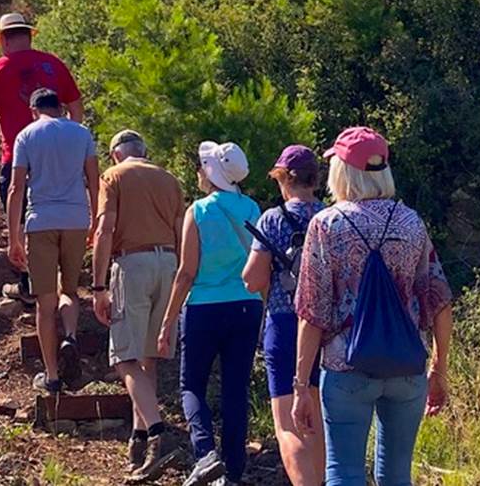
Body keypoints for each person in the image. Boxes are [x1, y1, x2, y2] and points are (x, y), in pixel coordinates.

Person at [291, 127, 454, 486]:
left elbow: (311, 313)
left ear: (343, 171)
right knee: (397, 476)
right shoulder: (412, 221)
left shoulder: (327, 225)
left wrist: (301, 385)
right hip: (406, 368)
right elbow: (440, 301)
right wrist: (439, 369)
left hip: (346, 366)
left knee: (344, 473)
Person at [157, 142, 263, 486]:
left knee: (191, 386)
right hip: (247, 306)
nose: (199, 173)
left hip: (204, 308)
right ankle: (232, 472)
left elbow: (186, 272)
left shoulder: (198, 211)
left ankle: (205, 455)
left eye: (202, 167)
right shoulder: (253, 208)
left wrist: (168, 320)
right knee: (235, 389)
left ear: (211, 173)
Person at [91, 130, 187, 483]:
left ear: (116, 154)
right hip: (169, 264)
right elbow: (181, 232)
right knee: (148, 355)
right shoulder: (170, 180)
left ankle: (158, 430)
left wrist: (99, 285)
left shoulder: (113, 177)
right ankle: (139, 435)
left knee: (125, 357)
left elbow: (104, 229)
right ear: (144, 152)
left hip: (132, 264)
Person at [0, 12, 83, 303]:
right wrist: (71, 137)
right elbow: (76, 105)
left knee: (20, 215)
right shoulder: (53, 64)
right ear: (29, 36)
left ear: (4, 39)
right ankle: (61, 283)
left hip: (17, 156)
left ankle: (30, 284)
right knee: (58, 209)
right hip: (59, 156)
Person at [242, 145, 326, 486]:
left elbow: (253, 279)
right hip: (326, 327)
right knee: (316, 420)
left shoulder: (272, 219)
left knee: (288, 426)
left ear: (283, 179)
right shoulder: (330, 216)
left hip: (284, 323)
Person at [6, 88, 100, 393]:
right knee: (70, 291)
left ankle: (52, 376)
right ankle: (70, 336)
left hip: (41, 221)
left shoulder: (27, 136)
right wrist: (95, 219)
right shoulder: (81, 133)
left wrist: (14, 237)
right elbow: (94, 180)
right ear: (60, 108)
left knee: (44, 304)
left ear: (34, 110)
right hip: (75, 218)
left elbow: (16, 188)